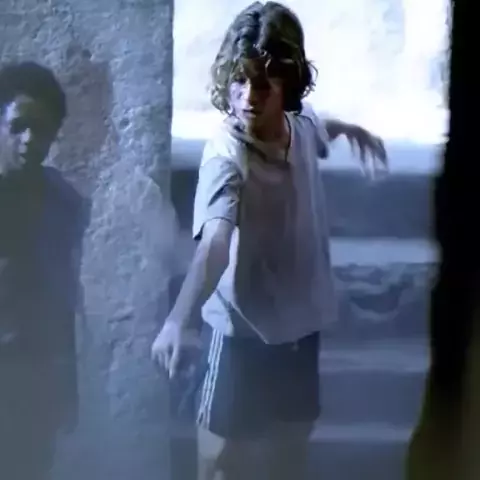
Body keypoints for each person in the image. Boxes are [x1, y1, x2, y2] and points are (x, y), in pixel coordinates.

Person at [152, 2, 388, 479]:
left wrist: (351, 129)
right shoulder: (226, 156)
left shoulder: (299, 124)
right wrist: (177, 319)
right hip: (242, 332)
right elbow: (215, 243)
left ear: (288, 83)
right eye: (239, 82)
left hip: (299, 323)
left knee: (289, 449)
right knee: (219, 460)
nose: (248, 98)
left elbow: (316, 125)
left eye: (263, 84)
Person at [0, 61, 81, 480]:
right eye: (19, 126)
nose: (30, 139)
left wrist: (68, 385)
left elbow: (64, 295)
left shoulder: (62, 202)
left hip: (34, 379)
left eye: (42, 129)